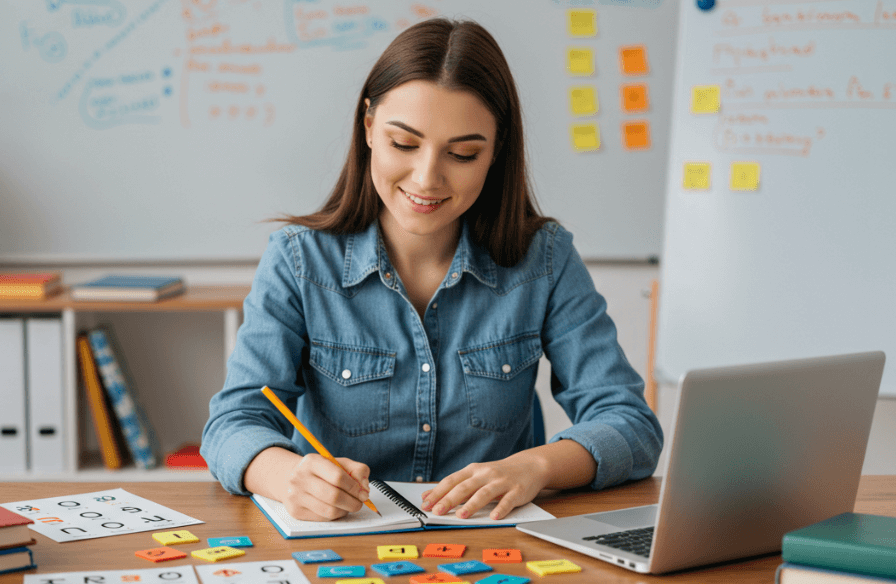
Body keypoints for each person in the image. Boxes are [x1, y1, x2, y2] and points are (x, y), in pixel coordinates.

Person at [202, 18, 662, 522]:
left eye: (463, 153)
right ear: (369, 126)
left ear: (496, 150)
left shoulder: (544, 259)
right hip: (343, 547)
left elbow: (631, 425)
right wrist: (287, 477)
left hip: (494, 554)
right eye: (404, 144)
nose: (427, 178)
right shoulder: (298, 260)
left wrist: (536, 467)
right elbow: (232, 424)